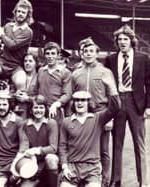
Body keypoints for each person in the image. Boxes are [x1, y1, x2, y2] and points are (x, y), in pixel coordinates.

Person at [105, 25, 150, 187]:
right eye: (119, 39)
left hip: (136, 103)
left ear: (132, 40)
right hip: (117, 102)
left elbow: (149, 83)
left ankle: (143, 182)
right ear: (116, 42)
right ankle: (116, 181)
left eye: (125, 39)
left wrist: (148, 106)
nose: (122, 42)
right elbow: (107, 85)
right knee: (117, 143)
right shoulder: (110, 59)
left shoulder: (143, 58)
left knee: (140, 145)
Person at [71, 40, 116, 187]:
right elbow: (71, 95)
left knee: (103, 150)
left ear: (97, 54)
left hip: (100, 113)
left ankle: (105, 181)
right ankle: (82, 177)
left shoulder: (105, 72)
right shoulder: (76, 73)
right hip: (81, 113)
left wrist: (110, 119)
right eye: (85, 51)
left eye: (91, 51)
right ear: (81, 54)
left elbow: (112, 95)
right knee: (81, 147)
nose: (88, 54)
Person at [59, 89, 120, 187]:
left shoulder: (97, 118)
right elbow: (62, 146)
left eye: (83, 100)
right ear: (73, 103)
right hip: (72, 166)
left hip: (92, 167)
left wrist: (112, 89)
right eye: (77, 100)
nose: (79, 103)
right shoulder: (66, 121)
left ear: (88, 103)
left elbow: (115, 108)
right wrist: (65, 167)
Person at [0, 0, 34, 92]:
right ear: (15, 12)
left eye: (23, 12)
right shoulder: (8, 26)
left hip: (16, 66)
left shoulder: (28, 31)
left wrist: (1, 34)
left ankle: (20, 105)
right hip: (2, 62)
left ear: (28, 15)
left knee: (21, 82)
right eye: (18, 11)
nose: (20, 14)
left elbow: (12, 45)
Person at [19, 95, 59, 187]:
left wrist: (37, 150)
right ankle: (35, 180)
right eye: (35, 107)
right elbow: (23, 145)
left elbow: (53, 148)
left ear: (45, 109)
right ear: (31, 110)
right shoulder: (25, 124)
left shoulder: (51, 123)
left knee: (51, 158)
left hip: (47, 162)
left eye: (41, 107)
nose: (38, 110)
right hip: (32, 162)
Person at [38, 41, 72, 120]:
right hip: (40, 111)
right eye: (47, 53)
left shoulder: (65, 72)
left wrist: (56, 104)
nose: (50, 56)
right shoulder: (41, 70)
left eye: (53, 53)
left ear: (58, 55)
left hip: (56, 110)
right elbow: (36, 90)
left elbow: (67, 94)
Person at [14, 52, 39, 118]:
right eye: (25, 61)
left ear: (36, 63)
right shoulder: (19, 76)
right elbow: (11, 92)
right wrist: (15, 94)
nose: (27, 63)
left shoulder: (39, 77)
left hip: (35, 112)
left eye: (30, 61)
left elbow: (43, 97)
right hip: (21, 113)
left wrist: (28, 99)